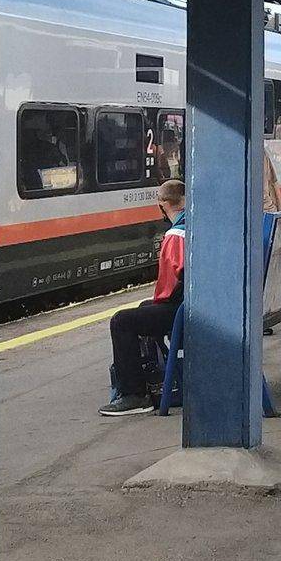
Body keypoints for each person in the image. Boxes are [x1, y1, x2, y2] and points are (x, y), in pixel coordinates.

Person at [99, 178, 188, 416]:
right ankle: (156, 379)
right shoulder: (195, 224)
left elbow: (167, 290)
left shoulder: (176, 235)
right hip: (200, 305)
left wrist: (156, 303)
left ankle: (134, 394)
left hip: (185, 311)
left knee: (121, 321)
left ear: (163, 204)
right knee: (143, 309)